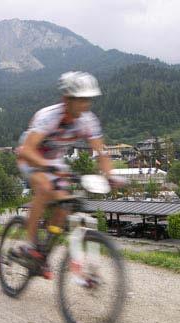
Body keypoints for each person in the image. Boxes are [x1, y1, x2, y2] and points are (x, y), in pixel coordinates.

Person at [16, 71, 120, 279]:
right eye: (81, 99)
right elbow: (26, 151)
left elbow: (101, 152)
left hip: (55, 161)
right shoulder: (49, 117)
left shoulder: (88, 121)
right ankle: (29, 245)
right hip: (30, 156)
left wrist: (111, 175)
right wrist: (46, 165)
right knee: (44, 188)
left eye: (88, 99)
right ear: (67, 99)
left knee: (65, 205)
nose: (85, 105)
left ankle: (44, 250)